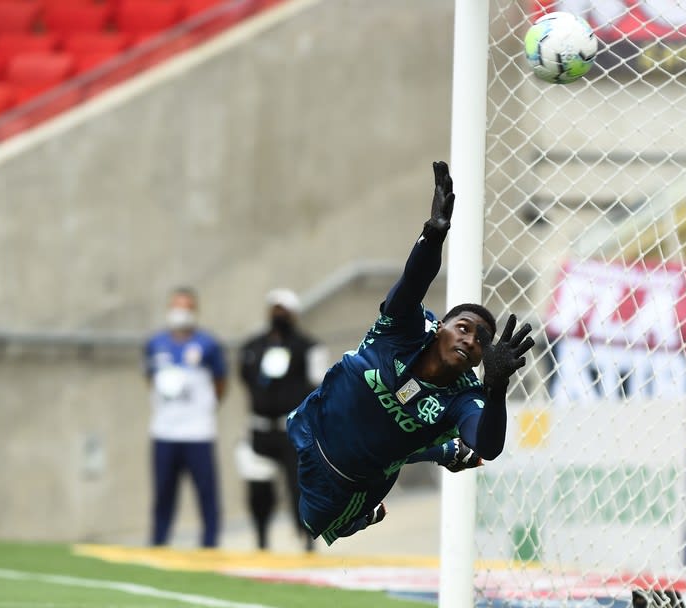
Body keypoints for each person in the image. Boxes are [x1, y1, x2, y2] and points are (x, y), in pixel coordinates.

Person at [286, 161, 535, 546]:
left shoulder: (464, 397)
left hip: (350, 483)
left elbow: (488, 445)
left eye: (481, 341)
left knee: (312, 522)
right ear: (441, 329)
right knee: (404, 432)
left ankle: (369, 511)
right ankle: (444, 451)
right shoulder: (405, 329)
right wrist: (432, 237)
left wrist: (497, 387)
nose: (470, 340)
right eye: (464, 327)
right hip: (312, 425)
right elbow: (412, 284)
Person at [237, 288, 329, 551]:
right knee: (259, 490)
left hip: (292, 429)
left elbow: (319, 385)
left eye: (284, 309)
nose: (278, 314)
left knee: (299, 487)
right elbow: (245, 378)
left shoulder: (308, 347)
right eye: (275, 308)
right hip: (260, 429)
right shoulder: (253, 347)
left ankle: (307, 541)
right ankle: (261, 540)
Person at [143, 286, 228, 548]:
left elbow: (220, 383)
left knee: (206, 494)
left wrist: (203, 409)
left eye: (187, 307)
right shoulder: (154, 344)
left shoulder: (208, 345)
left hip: (198, 433)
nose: (181, 312)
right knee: (163, 494)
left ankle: (210, 546)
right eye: (177, 306)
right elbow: (149, 379)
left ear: (195, 311)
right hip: (165, 432)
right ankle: (158, 544)